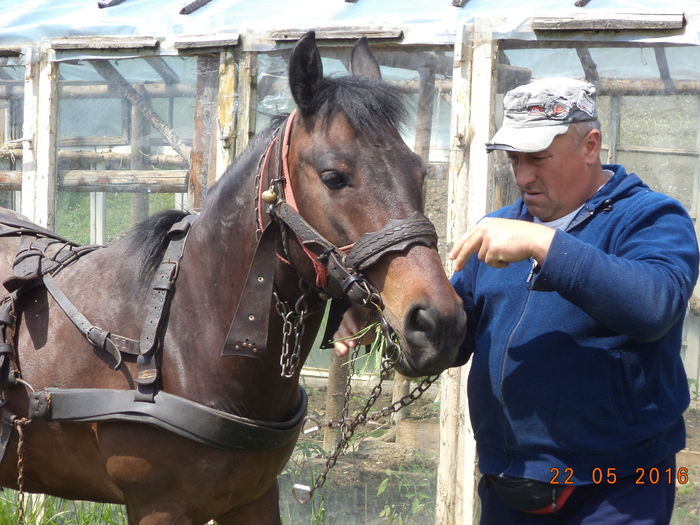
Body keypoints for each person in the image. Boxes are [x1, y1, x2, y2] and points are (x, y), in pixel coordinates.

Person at [334, 77, 699, 524]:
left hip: (618, 487)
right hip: (509, 485)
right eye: (514, 159)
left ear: (590, 144)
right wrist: (385, 326)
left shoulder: (650, 218)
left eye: (539, 157)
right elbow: (456, 337)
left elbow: (654, 306)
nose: (523, 175)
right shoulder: (499, 225)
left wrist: (545, 245)